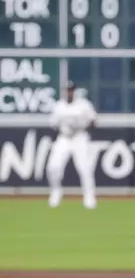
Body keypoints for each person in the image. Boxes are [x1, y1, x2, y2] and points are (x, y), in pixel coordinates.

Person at [46, 81, 98, 209]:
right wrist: (65, 127)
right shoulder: (59, 106)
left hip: (80, 137)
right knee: (53, 167)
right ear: (64, 91)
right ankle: (56, 192)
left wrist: (83, 124)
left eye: (71, 90)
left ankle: (89, 196)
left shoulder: (84, 105)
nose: (69, 92)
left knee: (85, 168)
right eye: (67, 90)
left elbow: (94, 122)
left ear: (75, 91)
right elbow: (53, 124)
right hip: (64, 138)